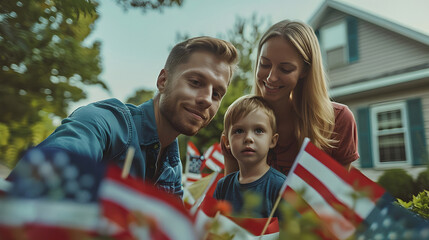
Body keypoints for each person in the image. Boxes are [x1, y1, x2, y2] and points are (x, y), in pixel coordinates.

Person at [11, 36, 239, 198]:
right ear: (163, 81)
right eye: (196, 82)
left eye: (217, 93)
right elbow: (49, 165)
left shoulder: (173, 165)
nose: (207, 99)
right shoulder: (105, 121)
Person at [223, 20, 359, 176]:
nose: (271, 77)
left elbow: (337, 193)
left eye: (285, 69)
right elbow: (231, 191)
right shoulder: (240, 118)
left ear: (305, 70)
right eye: (264, 64)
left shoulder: (338, 121)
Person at [214, 95, 285, 218]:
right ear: (227, 142)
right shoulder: (223, 186)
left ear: (273, 141)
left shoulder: (281, 187)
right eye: (239, 131)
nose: (248, 138)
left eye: (258, 130)